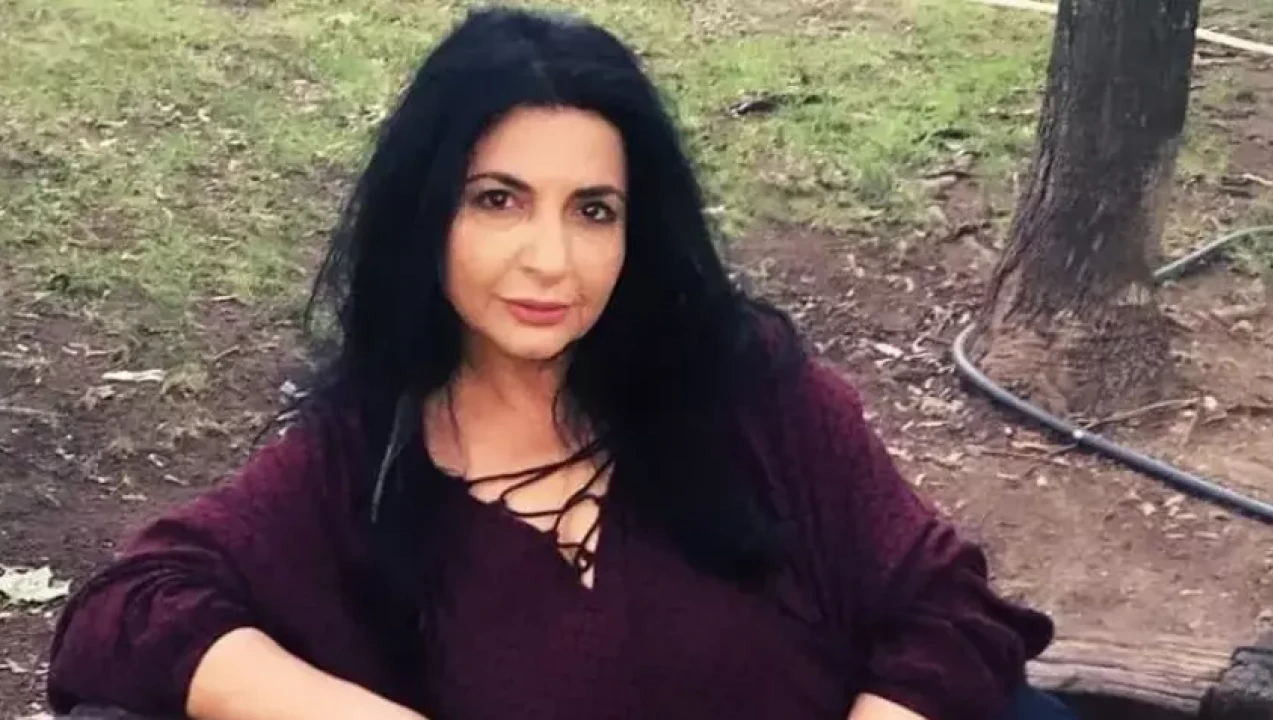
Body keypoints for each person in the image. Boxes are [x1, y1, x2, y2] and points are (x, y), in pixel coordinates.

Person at [46, 7, 1066, 720]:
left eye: (593, 211)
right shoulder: (366, 460)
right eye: (498, 200)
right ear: (427, 215)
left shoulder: (743, 389)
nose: (551, 260)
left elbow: (950, 610)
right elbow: (124, 614)